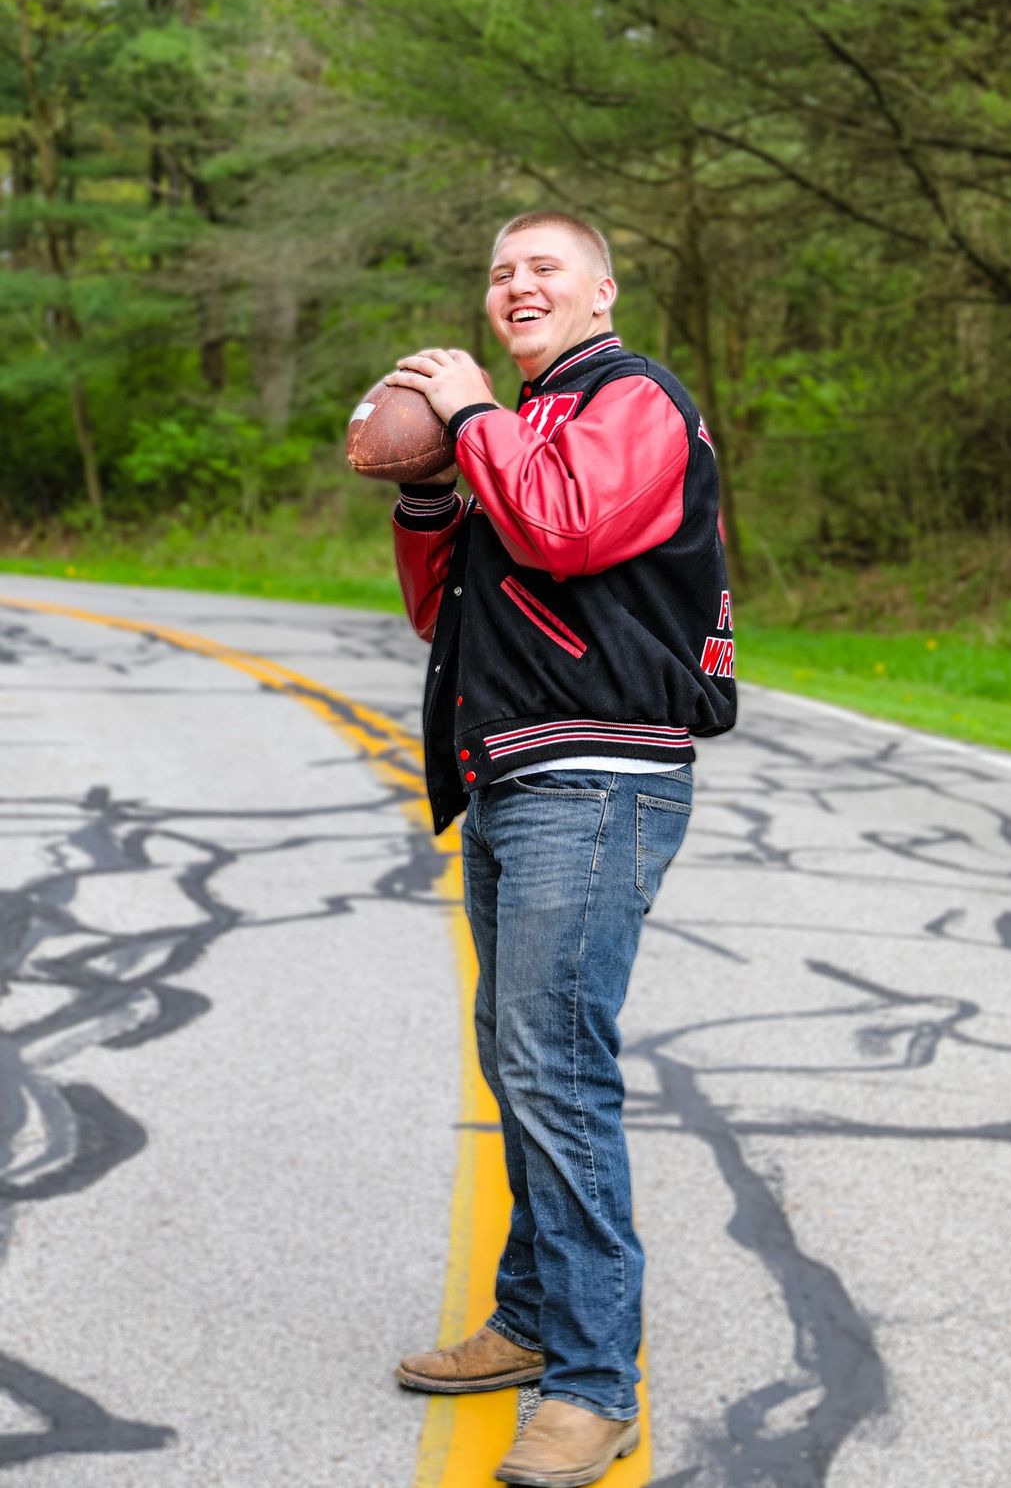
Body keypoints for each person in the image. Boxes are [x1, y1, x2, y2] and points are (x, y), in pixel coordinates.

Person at [386, 211, 736, 1488]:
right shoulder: (517, 432)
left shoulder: (631, 399)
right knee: (518, 1058)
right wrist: (430, 491)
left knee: (555, 1068)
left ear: (603, 289)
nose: (516, 284)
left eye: (543, 267)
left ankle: (595, 1383)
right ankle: (532, 1315)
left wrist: (471, 419)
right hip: (513, 770)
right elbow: (451, 601)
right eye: (498, 271)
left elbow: (570, 530)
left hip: (599, 776)